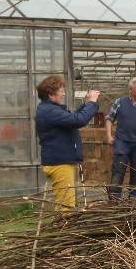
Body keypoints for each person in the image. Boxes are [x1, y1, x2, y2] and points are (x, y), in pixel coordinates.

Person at [35, 75, 100, 210]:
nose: (64, 94)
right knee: (66, 207)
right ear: (51, 94)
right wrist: (92, 103)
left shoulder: (50, 109)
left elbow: (72, 119)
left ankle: (63, 221)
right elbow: (78, 120)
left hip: (60, 161)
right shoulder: (51, 111)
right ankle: (64, 222)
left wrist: (86, 104)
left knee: (65, 204)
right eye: (61, 91)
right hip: (60, 163)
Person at [104, 77, 136, 201]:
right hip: (122, 142)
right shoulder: (120, 102)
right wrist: (109, 136)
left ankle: (134, 197)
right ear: (131, 90)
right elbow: (109, 119)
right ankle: (115, 196)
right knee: (118, 170)